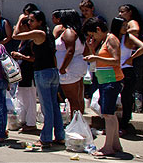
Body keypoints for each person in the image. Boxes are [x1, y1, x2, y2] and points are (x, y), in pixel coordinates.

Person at [13, 10, 64, 148]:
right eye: (28, 21)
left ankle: (46, 137)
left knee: (47, 107)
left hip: (43, 73)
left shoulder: (39, 33)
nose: (29, 23)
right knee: (54, 106)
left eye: (31, 20)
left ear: (40, 22)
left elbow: (15, 35)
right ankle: (59, 135)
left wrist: (20, 19)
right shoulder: (48, 34)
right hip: (52, 71)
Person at [81, 17, 124, 157]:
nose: (92, 37)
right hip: (105, 80)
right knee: (109, 114)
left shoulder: (111, 39)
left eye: (92, 34)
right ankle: (115, 144)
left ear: (98, 29)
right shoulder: (103, 40)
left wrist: (96, 58)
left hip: (111, 81)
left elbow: (116, 61)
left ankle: (108, 147)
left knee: (108, 115)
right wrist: (92, 49)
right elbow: (100, 58)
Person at [110, 17, 143, 132]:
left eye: (126, 25)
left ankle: (124, 123)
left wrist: (131, 58)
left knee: (126, 98)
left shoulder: (127, 37)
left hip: (126, 70)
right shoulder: (112, 37)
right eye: (123, 25)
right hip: (113, 70)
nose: (125, 28)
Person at [52, 9, 88, 114]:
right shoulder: (78, 32)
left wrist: (63, 68)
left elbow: (70, 51)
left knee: (73, 99)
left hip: (70, 68)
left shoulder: (69, 32)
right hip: (77, 66)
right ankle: (79, 123)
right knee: (78, 98)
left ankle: (76, 124)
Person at [10, 15, 38, 133]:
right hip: (22, 74)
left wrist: (21, 56)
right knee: (22, 98)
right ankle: (25, 120)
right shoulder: (23, 41)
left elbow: (34, 58)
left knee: (30, 99)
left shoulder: (31, 41)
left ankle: (31, 123)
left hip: (29, 73)